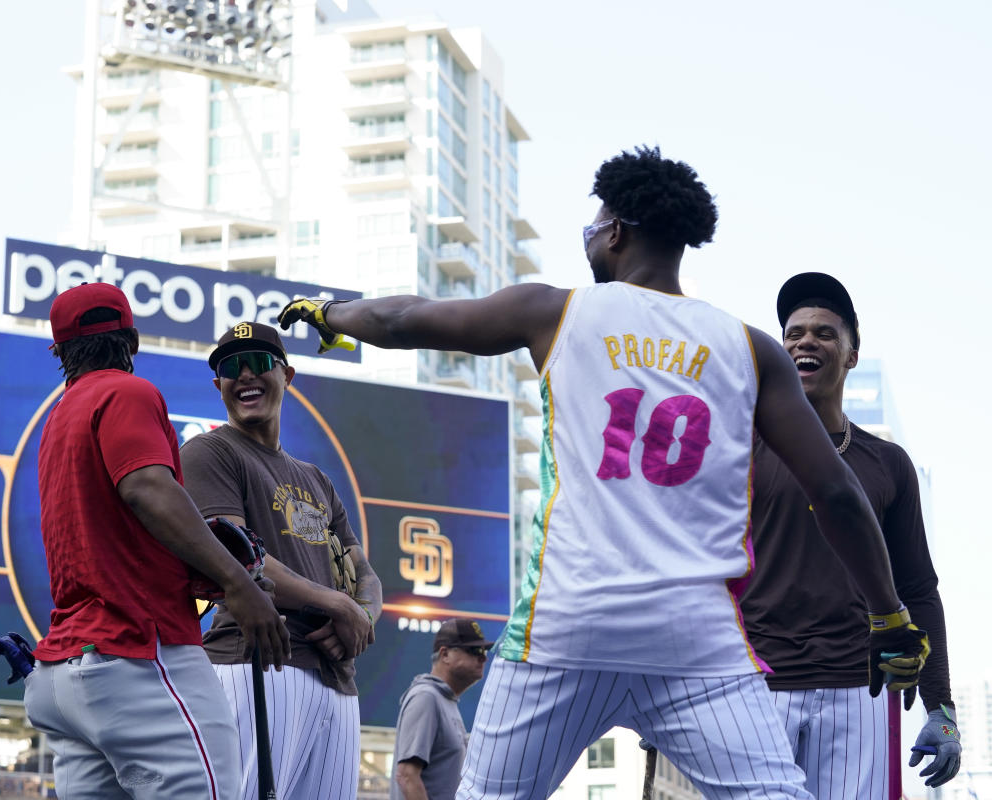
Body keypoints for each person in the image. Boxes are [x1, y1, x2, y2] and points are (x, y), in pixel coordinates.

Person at [278, 145, 930, 800]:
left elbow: (401, 318)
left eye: (594, 220)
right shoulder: (751, 346)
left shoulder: (556, 311)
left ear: (615, 230)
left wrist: (327, 316)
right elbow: (838, 494)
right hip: (695, 638)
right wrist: (889, 617)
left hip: (569, 624)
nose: (589, 231)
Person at [24, 283, 289, 799]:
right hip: (138, 653)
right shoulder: (127, 392)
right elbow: (146, 487)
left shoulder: (59, 417)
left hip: (66, 671)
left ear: (58, 351)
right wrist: (238, 583)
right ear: (135, 340)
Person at [738, 272, 960, 797]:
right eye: (793, 334)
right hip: (754, 688)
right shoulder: (739, 448)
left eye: (824, 333)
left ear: (851, 355)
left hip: (862, 692)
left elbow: (919, 589)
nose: (805, 341)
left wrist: (942, 708)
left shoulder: (888, 463)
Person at [180, 321, 383, 800]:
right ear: (218, 386)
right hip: (256, 664)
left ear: (286, 375)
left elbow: (365, 572)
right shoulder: (210, 452)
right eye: (232, 367)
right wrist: (339, 604)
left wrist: (361, 615)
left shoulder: (315, 479)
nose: (246, 375)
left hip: (335, 678)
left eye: (260, 363)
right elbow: (237, 558)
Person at [391, 619, 493, 800]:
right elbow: (407, 776)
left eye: (484, 651)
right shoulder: (426, 697)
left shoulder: (446, 700)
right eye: (474, 651)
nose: (483, 658)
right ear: (445, 654)